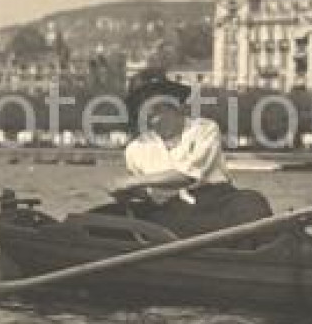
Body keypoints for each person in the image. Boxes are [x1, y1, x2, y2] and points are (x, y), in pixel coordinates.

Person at [105, 68, 272, 237]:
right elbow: (146, 197)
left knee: (252, 202)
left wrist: (134, 181)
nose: (149, 107)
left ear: (173, 100)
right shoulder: (135, 149)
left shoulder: (205, 129)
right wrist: (126, 194)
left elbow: (189, 175)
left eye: (156, 98)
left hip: (217, 202)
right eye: (142, 102)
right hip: (170, 214)